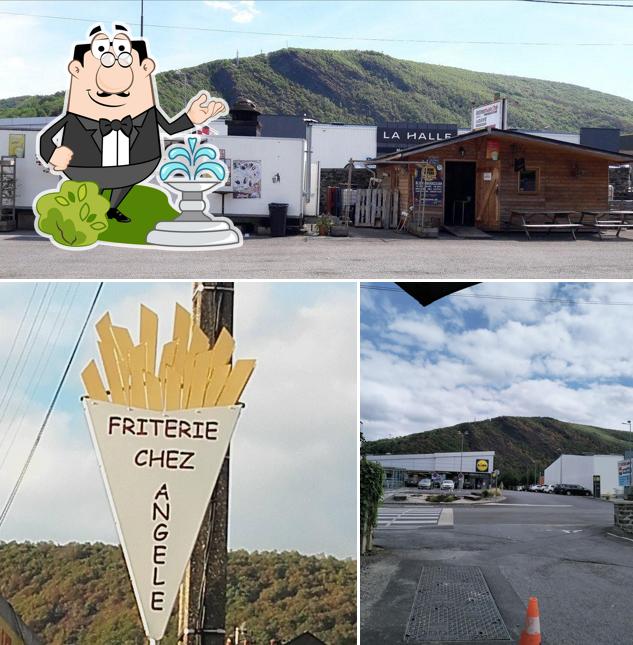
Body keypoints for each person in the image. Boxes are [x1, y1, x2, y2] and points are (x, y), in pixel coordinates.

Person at [37, 23, 227, 223]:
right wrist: (51, 153)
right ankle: (93, 210)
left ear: (146, 68)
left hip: (136, 165)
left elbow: (170, 128)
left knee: (124, 182)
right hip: (87, 166)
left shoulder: (148, 113)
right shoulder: (74, 118)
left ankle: (111, 208)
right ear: (77, 70)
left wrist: (191, 118)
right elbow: (46, 137)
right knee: (94, 188)